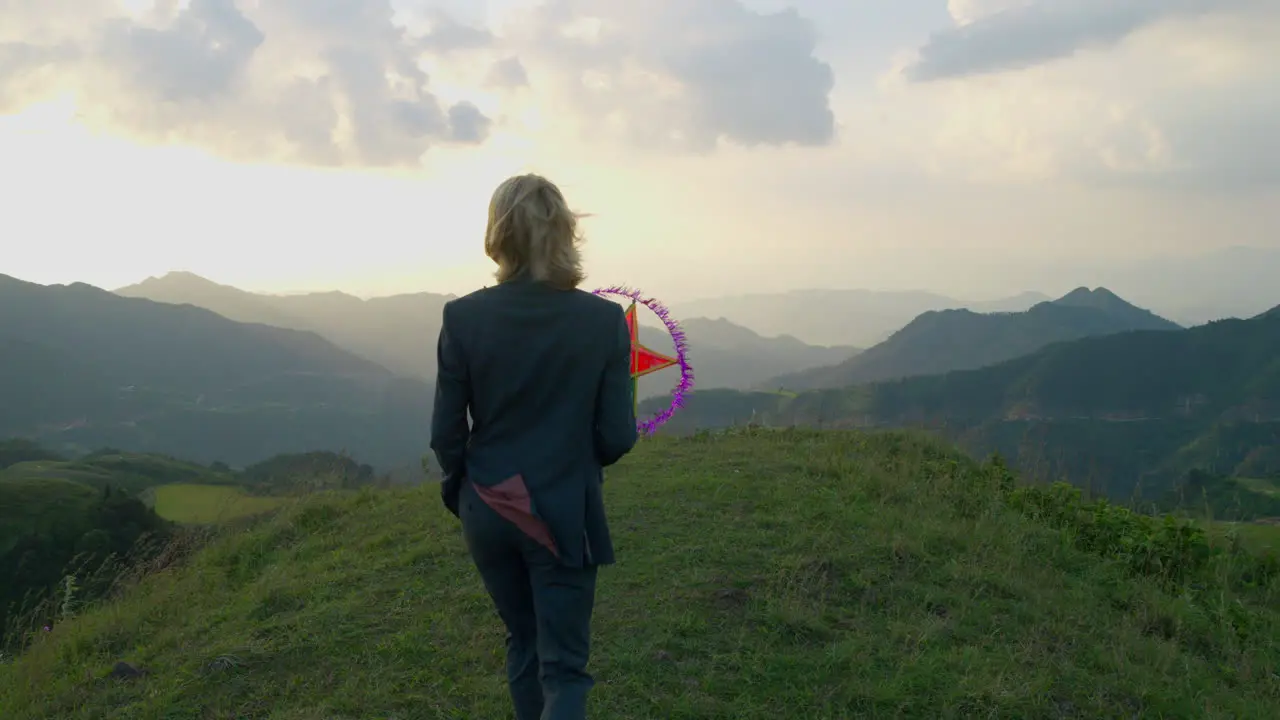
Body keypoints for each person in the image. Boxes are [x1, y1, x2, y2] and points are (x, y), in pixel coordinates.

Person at [430, 173, 639, 720]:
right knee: (564, 670)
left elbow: (445, 433)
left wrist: (464, 491)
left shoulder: (463, 316)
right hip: (561, 509)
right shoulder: (603, 321)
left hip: (486, 505)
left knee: (523, 643)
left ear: (497, 236)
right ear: (566, 232)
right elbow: (617, 435)